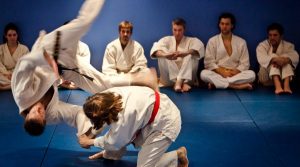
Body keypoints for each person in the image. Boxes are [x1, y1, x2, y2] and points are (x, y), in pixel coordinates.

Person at [11, 0, 157, 137]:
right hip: (65, 69)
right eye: (41, 114)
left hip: (49, 49)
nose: (40, 109)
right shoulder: (51, 115)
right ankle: (142, 78)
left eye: (35, 112)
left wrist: (46, 60)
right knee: (102, 87)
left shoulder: (22, 94)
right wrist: (84, 132)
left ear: (26, 116)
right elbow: (76, 114)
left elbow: (24, 64)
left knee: (84, 22)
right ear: (44, 120)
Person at [79, 86, 188, 167]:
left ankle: (177, 155)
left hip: (166, 121)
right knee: (118, 137)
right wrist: (92, 134)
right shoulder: (105, 95)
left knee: (144, 165)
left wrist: (89, 142)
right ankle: (110, 154)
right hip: (149, 114)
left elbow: (114, 141)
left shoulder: (124, 116)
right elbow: (100, 116)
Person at [200, 12, 255, 90]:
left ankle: (217, 84)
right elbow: (208, 62)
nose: (224, 26)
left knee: (252, 74)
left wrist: (235, 71)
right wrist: (221, 72)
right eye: (222, 24)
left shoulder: (241, 42)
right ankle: (235, 86)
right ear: (219, 25)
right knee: (203, 74)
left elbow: (245, 63)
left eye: (227, 24)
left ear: (232, 25)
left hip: (235, 74)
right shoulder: (212, 41)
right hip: (218, 73)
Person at [150, 18, 204, 92]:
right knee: (162, 51)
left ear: (184, 30)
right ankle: (179, 83)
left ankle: (179, 82)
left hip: (187, 79)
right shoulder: (166, 39)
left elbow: (200, 46)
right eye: (175, 30)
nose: (177, 33)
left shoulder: (191, 40)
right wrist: (166, 55)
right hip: (168, 79)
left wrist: (185, 53)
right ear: (172, 29)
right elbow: (155, 49)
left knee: (191, 53)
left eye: (180, 30)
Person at [256, 23, 299, 94]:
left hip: (284, 77)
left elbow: (295, 57)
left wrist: (285, 60)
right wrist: (276, 59)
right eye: (270, 35)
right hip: (266, 79)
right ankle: (278, 86)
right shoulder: (262, 45)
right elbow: (261, 59)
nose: (272, 37)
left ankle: (286, 86)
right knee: (273, 57)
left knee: (286, 59)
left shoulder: (289, 45)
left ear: (281, 36)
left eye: (275, 35)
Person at [0, 23, 29, 90]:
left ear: (17, 35)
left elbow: (25, 65)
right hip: (4, 75)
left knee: (28, 76)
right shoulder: (1, 48)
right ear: (5, 36)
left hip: (18, 75)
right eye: (9, 35)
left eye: (14, 35)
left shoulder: (24, 49)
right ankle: (14, 85)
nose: (12, 37)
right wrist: (6, 74)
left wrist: (14, 74)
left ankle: (5, 87)